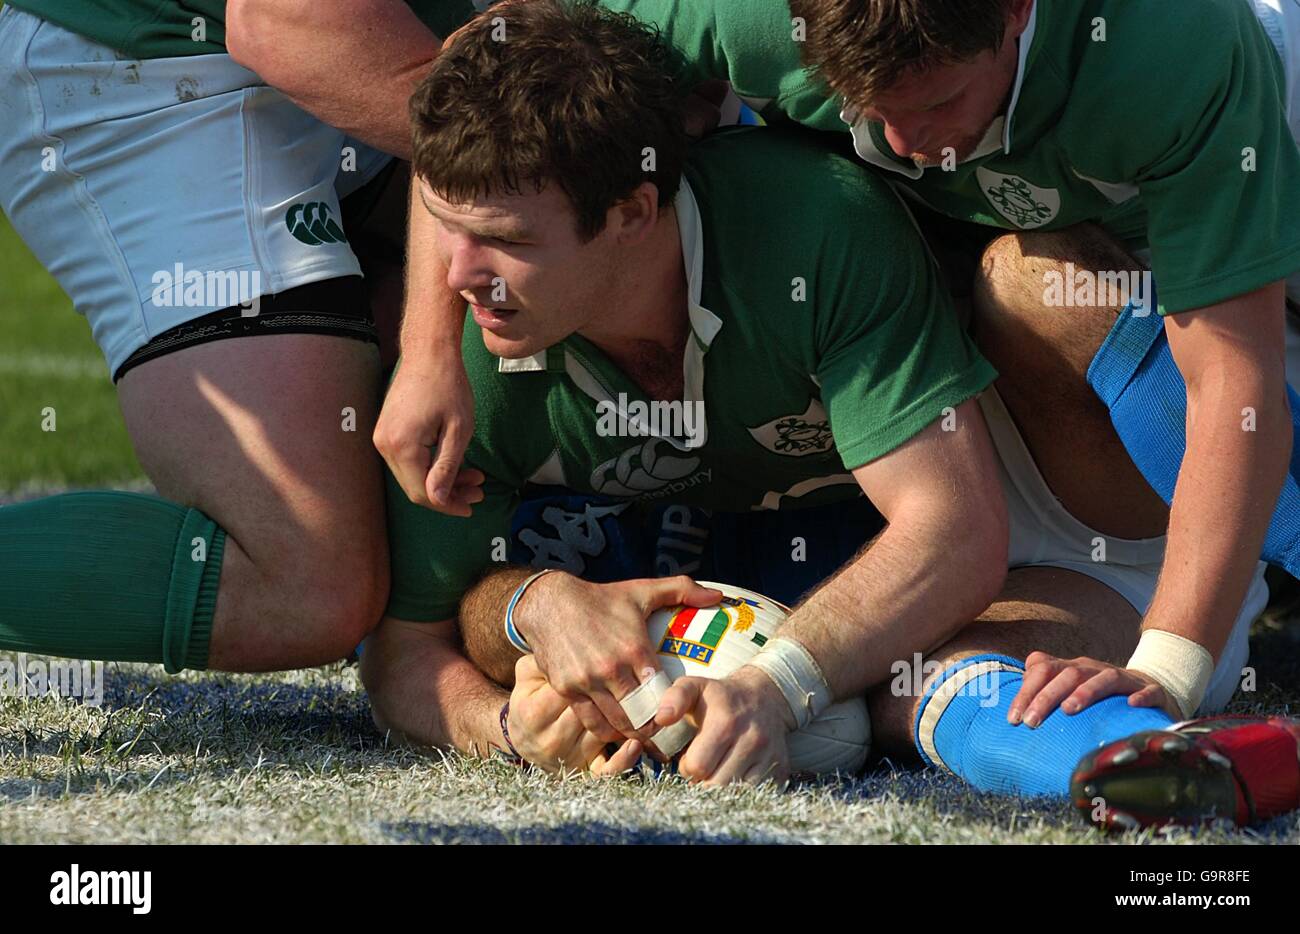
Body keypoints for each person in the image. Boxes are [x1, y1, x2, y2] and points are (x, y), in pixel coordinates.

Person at [360, 1, 1282, 800]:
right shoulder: (746, 23)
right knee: (913, 692)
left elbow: (1231, 387)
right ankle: (1182, 768)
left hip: (1139, 403)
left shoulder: (1172, 46)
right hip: (969, 480)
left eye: (933, 105)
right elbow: (483, 62)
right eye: (862, 110)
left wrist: (1170, 662)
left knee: (1033, 282)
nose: (900, 149)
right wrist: (429, 351)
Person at [0, 0, 485, 671]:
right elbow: (279, 17)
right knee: (307, 585)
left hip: (385, 50)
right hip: (157, 72)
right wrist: (432, 340)